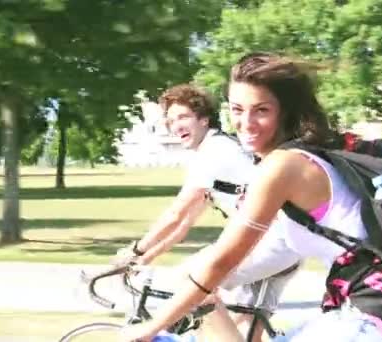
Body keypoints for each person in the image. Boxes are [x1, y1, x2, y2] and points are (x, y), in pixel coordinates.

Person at [120, 53, 382, 342]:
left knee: (203, 288)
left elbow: (223, 261)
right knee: (205, 299)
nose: (245, 123)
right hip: (379, 307)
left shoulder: (284, 167)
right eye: (237, 109)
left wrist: (150, 327)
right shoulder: (298, 155)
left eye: (261, 110)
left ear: (284, 112)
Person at [117, 83, 302, 341]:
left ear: (204, 119)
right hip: (271, 242)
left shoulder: (215, 151)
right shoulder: (217, 151)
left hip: (271, 242)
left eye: (183, 117)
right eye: (170, 120)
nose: (175, 125)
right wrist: (144, 258)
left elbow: (177, 213)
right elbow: (185, 224)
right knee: (240, 330)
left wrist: (135, 251)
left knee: (189, 285)